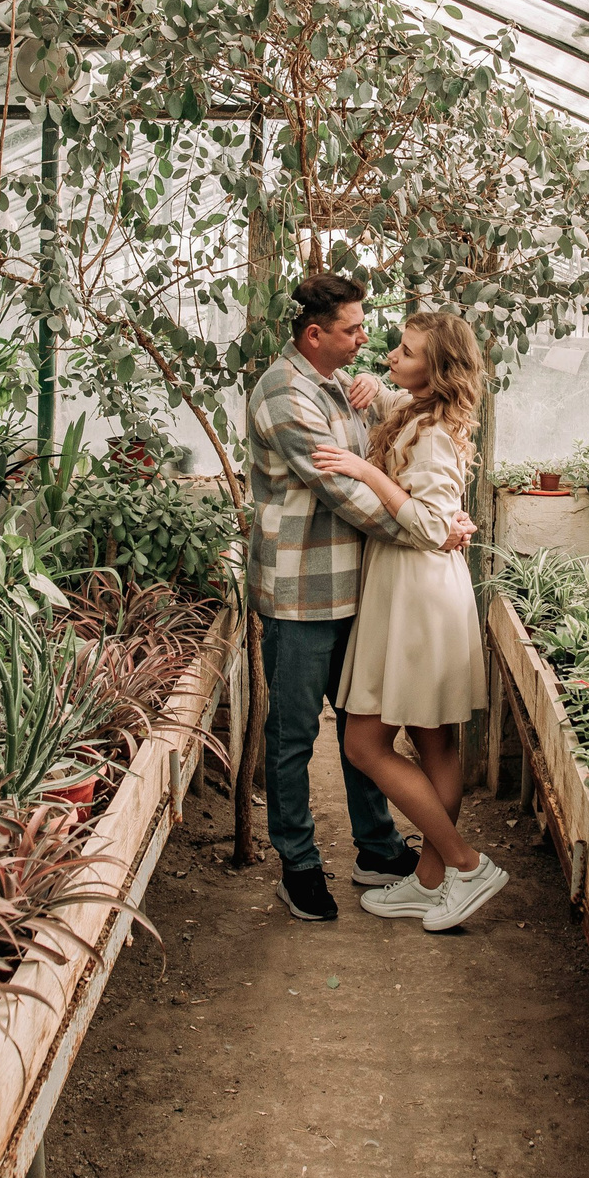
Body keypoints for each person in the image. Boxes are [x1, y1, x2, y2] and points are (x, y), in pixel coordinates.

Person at [245, 274, 475, 922]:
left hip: (359, 588)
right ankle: (300, 864)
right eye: (352, 329)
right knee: (293, 738)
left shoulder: (346, 390)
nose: (365, 339)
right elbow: (344, 491)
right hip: (299, 596)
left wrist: (435, 516)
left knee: (359, 725)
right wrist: (434, 527)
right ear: (315, 334)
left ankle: (377, 847)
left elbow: (392, 453)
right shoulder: (285, 396)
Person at [311, 312, 508, 932]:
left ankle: (466, 864)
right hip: (418, 592)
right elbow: (399, 401)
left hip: (416, 595)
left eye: (406, 352)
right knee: (434, 744)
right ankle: (428, 884)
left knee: (363, 743)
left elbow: (428, 527)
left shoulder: (433, 435)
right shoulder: (421, 412)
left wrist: (364, 470)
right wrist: (377, 385)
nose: (392, 356)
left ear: (438, 370)